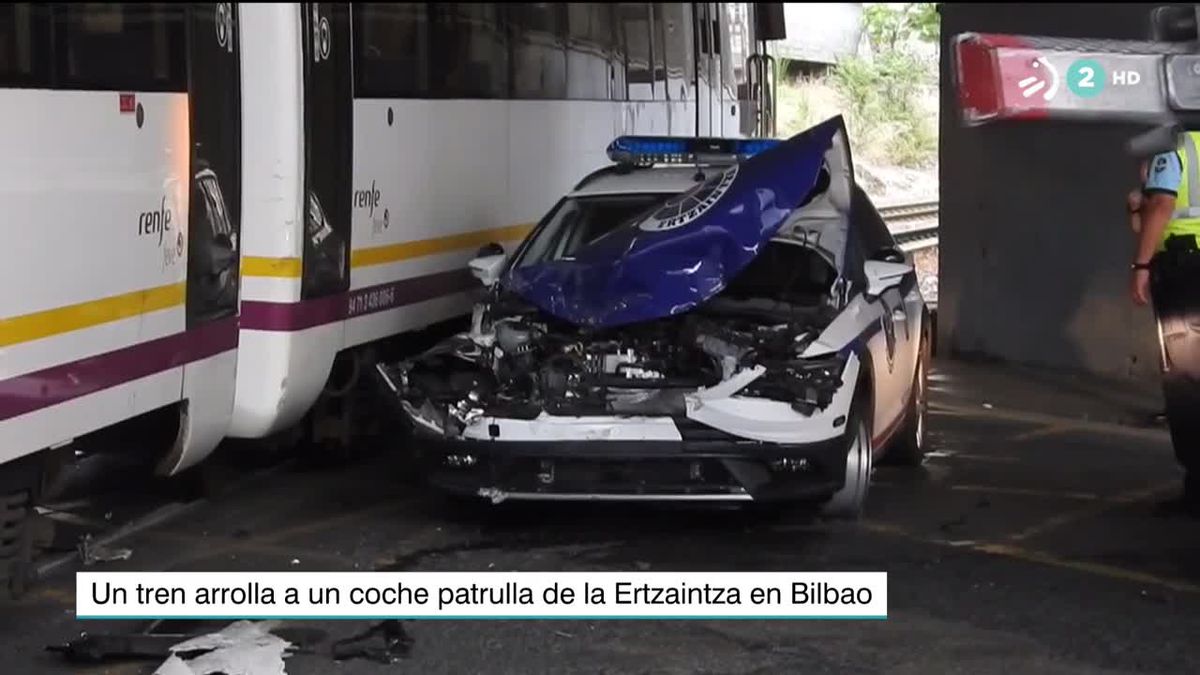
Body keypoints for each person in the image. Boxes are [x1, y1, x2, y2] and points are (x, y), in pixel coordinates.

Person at [1133, 133, 1200, 515]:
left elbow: (1161, 205)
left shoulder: (1176, 146)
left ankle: (1197, 487)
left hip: (1186, 272)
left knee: (1186, 379)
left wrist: (1140, 267)